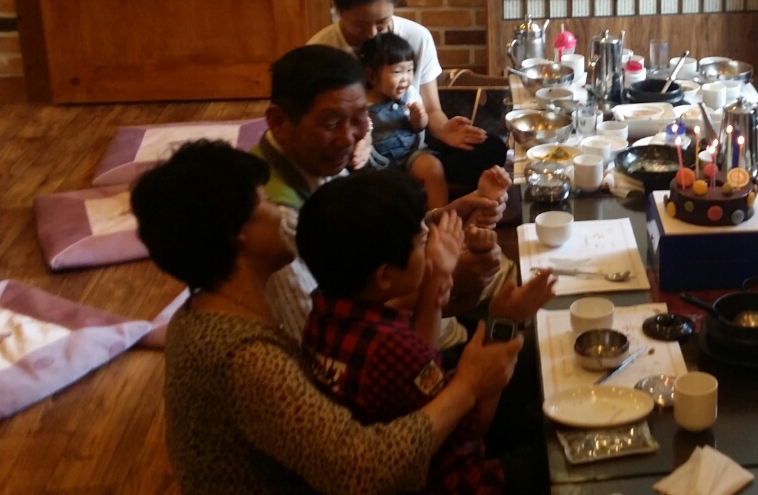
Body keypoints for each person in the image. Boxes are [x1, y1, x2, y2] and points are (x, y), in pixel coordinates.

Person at [131, 140, 520, 495]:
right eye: (264, 201)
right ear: (239, 235)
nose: (278, 213)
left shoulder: (196, 315)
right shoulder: (246, 358)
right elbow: (361, 473)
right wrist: (468, 385)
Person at [253, 45, 552, 350]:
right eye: (331, 124)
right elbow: (321, 339)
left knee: (507, 272)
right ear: (278, 121)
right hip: (398, 349)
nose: (349, 138)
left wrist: (449, 214)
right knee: (533, 327)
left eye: (360, 118)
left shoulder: (315, 159)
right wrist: (439, 282)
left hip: (419, 306)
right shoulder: (278, 220)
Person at [298, 171, 513, 493]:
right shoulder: (389, 347)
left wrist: (437, 277)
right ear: (385, 276)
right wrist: (506, 325)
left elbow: (422, 361)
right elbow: (470, 429)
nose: (431, 238)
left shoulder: (321, 314)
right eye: (422, 241)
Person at [309, 0, 509, 187]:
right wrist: (355, 143)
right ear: (339, 10)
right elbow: (320, 126)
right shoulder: (320, 50)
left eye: (381, 22)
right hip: (355, 153)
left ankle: (413, 186)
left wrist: (444, 130)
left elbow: (432, 108)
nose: (372, 33)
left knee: (492, 149)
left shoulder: (416, 37)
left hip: (412, 145)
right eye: (360, 24)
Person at [360, 31, 449, 207]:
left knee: (433, 167)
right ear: (371, 76)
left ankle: (439, 217)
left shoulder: (409, 94)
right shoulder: (362, 102)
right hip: (377, 164)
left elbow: (419, 127)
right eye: (397, 72)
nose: (406, 79)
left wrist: (420, 117)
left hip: (410, 155)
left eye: (409, 70)